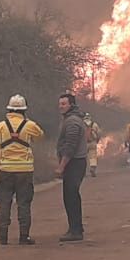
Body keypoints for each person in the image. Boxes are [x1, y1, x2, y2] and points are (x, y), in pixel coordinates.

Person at [0, 94, 44, 245]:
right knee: (24, 204)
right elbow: (40, 136)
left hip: (5, 171)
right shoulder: (30, 125)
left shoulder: (0, 126)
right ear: (24, 110)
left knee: (4, 203)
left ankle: (3, 238)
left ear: (9, 109)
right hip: (25, 172)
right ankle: (24, 237)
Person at [55, 93, 88, 242]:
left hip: (74, 163)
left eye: (64, 104)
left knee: (71, 196)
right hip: (75, 162)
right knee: (71, 196)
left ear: (71, 105)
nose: (60, 106)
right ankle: (76, 228)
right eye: (60, 103)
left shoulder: (72, 121)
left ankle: (75, 231)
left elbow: (70, 147)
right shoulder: (71, 119)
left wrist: (62, 166)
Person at [83, 112, 102, 177]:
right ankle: (92, 169)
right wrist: (97, 140)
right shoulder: (94, 124)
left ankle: (83, 171)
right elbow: (99, 133)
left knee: (83, 157)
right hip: (93, 142)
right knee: (93, 157)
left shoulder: (81, 124)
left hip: (84, 143)